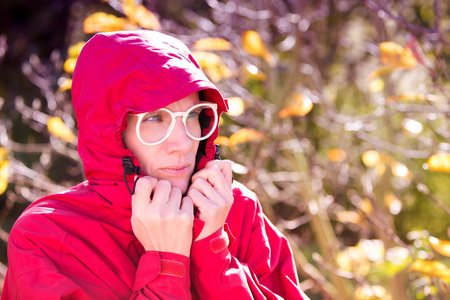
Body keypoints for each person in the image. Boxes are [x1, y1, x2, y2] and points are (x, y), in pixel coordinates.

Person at [2, 30, 309, 299]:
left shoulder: (235, 208)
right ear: (110, 132)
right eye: (154, 118)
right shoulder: (45, 237)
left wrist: (214, 248)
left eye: (193, 115)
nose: (184, 143)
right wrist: (168, 266)